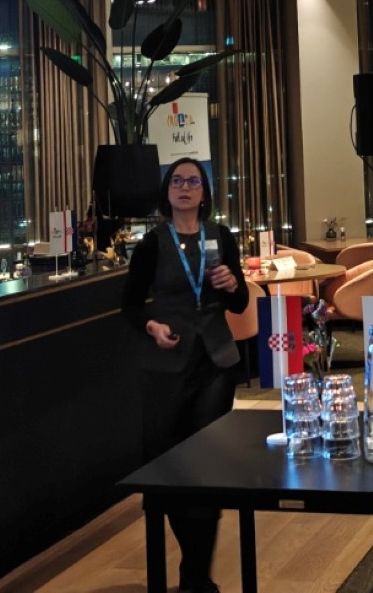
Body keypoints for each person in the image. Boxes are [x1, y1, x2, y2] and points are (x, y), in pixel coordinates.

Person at [121, 158, 249, 593]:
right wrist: (150, 326)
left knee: (206, 465)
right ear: (167, 192)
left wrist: (232, 285)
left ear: (204, 192)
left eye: (193, 181)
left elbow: (239, 303)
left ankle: (196, 576)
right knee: (168, 467)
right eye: (177, 180)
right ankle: (193, 568)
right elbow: (129, 306)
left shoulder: (222, 237)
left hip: (215, 362)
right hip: (166, 366)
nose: (185, 187)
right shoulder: (152, 244)